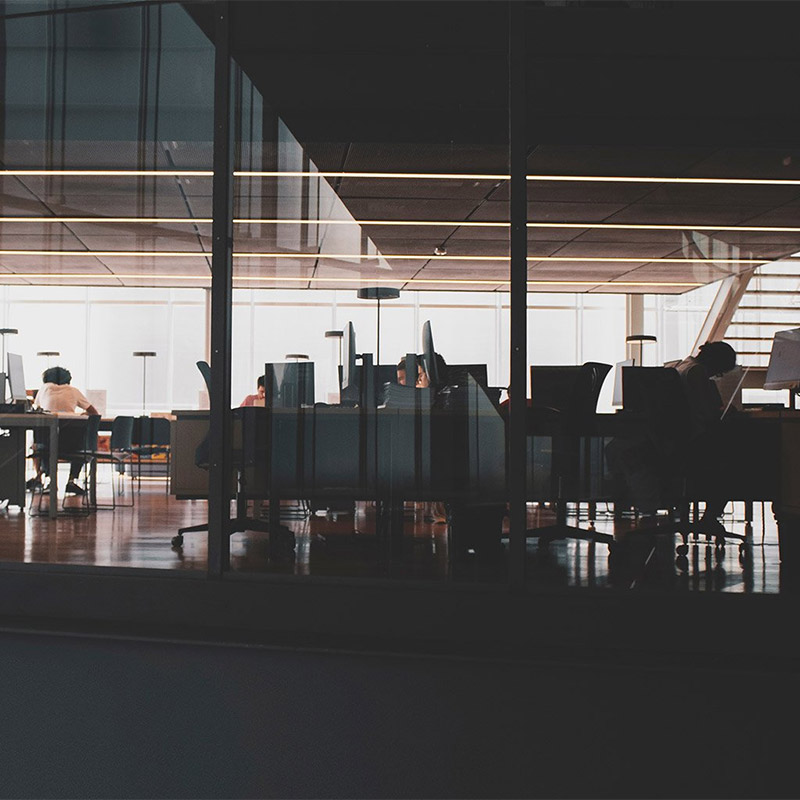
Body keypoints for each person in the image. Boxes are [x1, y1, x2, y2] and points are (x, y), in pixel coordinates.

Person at [29, 366, 100, 495]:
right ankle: (72, 480)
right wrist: (82, 414)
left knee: (39, 443)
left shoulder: (43, 390)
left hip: (48, 445)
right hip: (72, 444)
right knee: (82, 444)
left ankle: (47, 479)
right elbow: (94, 413)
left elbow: (36, 411)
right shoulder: (73, 391)